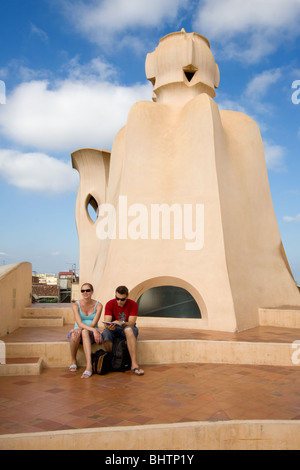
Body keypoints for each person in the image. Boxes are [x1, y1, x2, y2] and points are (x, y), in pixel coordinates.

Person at [102, 286, 144, 376]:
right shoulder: (110, 303)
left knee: (129, 330)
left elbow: (132, 323)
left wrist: (122, 322)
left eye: (122, 299)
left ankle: (134, 364)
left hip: (127, 327)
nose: (119, 301)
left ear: (127, 296)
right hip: (114, 329)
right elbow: (106, 322)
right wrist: (109, 326)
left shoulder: (133, 304)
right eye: (117, 298)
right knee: (105, 333)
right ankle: (112, 361)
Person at [68, 283, 103, 379]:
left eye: (87, 290)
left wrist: (92, 330)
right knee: (75, 334)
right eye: (83, 291)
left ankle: (89, 366)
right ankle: (73, 360)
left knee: (84, 331)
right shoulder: (76, 305)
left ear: (92, 292)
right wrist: (93, 330)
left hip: (91, 332)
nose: (85, 292)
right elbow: (79, 323)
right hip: (80, 330)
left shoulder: (99, 305)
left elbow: (93, 323)